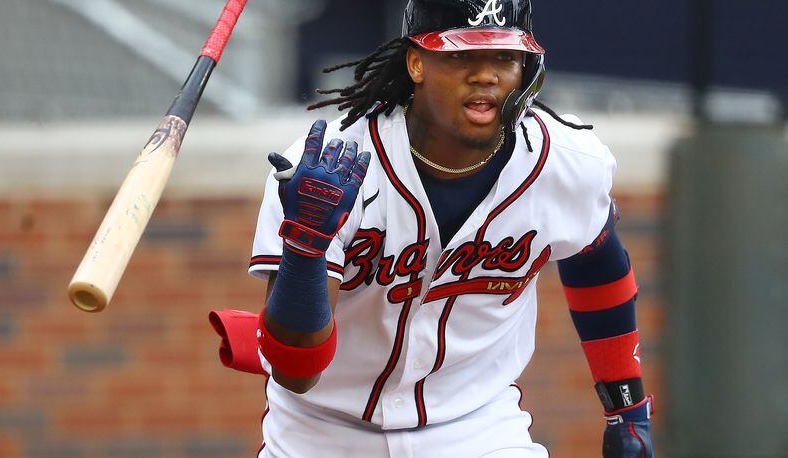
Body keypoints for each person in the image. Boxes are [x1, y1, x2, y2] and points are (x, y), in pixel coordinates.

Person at [209, 0, 654, 456]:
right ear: (416, 62)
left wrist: (628, 410)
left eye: (504, 57)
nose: (485, 75)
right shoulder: (329, 166)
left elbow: (597, 265)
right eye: (461, 55)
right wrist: (306, 249)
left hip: (476, 427)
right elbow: (294, 371)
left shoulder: (566, 161)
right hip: (321, 430)